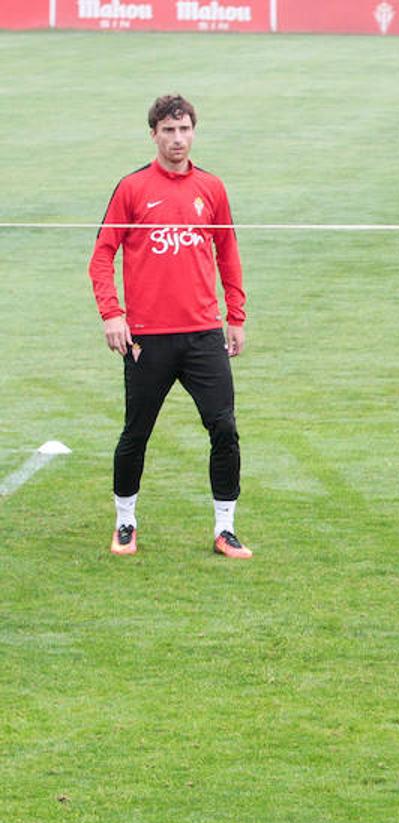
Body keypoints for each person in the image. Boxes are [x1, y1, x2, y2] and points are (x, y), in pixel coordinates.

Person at [89, 94, 251, 559]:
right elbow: (102, 254)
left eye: (184, 130)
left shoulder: (212, 189)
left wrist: (235, 316)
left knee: (224, 428)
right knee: (135, 433)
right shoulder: (132, 189)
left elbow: (229, 254)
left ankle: (225, 529)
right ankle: (125, 522)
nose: (177, 139)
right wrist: (112, 314)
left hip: (203, 335)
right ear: (154, 135)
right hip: (146, 338)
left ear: (193, 132)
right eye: (168, 131)